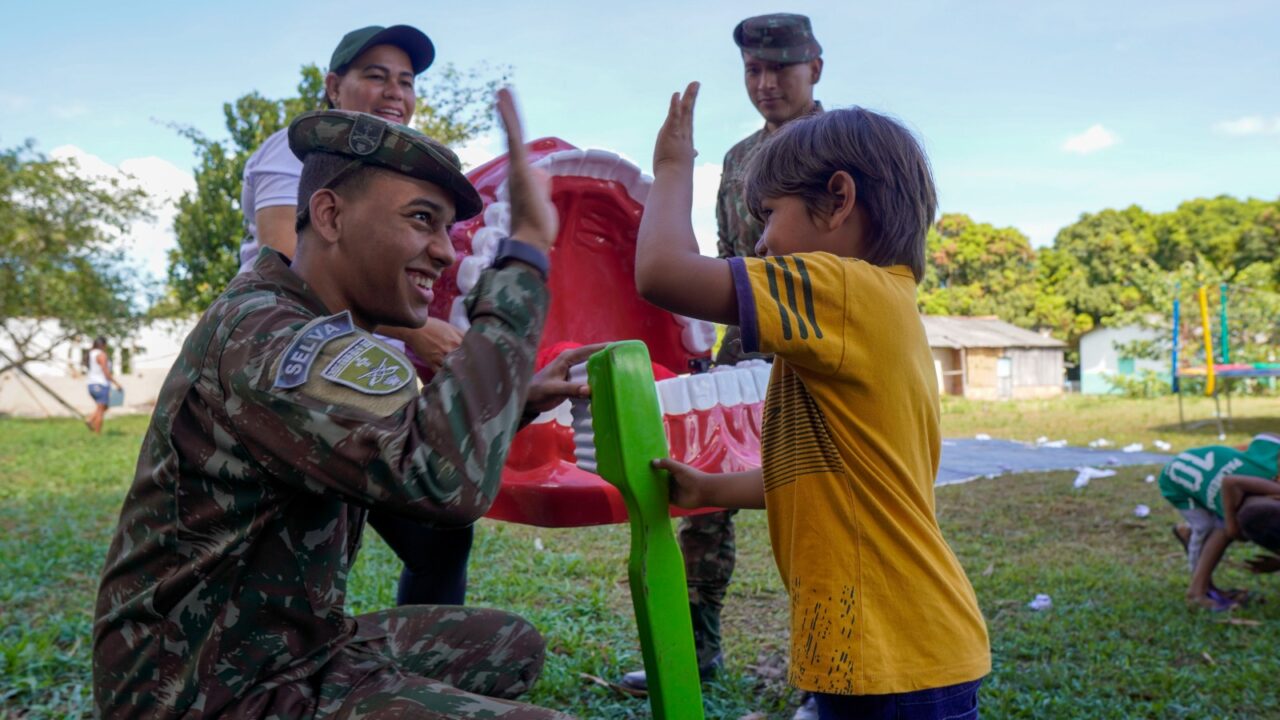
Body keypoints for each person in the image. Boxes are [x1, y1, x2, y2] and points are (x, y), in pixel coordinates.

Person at [93, 98, 582, 719]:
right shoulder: (274, 336)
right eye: (422, 220)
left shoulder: (304, 323)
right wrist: (527, 251)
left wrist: (518, 400)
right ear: (329, 215)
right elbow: (441, 484)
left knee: (510, 645)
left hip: (294, 648)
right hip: (204, 690)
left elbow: (394, 440)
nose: (444, 251)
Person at [634, 84, 990, 717]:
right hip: (885, 651)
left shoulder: (843, 290)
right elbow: (812, 476)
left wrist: (671, 167)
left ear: (838, 201)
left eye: (770, 214)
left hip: (895, 661)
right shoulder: (865, 315)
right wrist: (710, 488)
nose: (763, 243)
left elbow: (661, 271)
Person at [622, 13, 826, 697]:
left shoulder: (840, 145)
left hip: (815, 349)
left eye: (781, 70)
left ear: (814, 70)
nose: (766, 84)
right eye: (753, 71)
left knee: (812, 507)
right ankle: (699, 650)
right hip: (741, 347)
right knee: (702, 505)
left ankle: (822, 668)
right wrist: (711, 355)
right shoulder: (738, 158)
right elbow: (725, 259)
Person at [241, 24, 474, 607]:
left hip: (367, 373)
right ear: (333, 86)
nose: (395, 92)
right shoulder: (297, 151)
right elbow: (290, 255)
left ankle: (426, 673)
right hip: (296, 369)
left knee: (440, 527)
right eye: (375, 76)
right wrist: (419, 332)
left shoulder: (393, 176)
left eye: (407, 80)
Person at [1161, 433, 1280, 609]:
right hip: (1177, 479)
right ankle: (1198, 591)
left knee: (1224, 522)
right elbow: (1230, 482)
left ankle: (1201, 584)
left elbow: (1266, 438)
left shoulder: (1266, 464)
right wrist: (1231, 525)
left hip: (1212, 466)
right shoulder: (1267, 481)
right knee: (1207, 527)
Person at [86, 336, 122, 434]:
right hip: (101, 385)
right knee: (101, 410)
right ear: (103, 345)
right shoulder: (102, 355)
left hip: (91, 385)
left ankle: (90, 420)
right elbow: (106, 372)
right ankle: (97, 435)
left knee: (102, 407)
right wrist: (117, 384)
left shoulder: (91, 354)